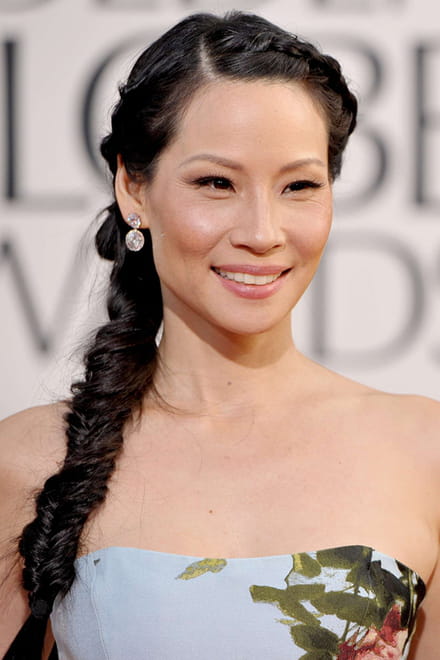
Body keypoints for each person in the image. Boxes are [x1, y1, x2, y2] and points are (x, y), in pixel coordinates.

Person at [1, 10, 439, 660]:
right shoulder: (25, 461)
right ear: (133, 188)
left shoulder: (425, 451)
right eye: (216, 183)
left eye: (299, 185)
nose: (262, 232)